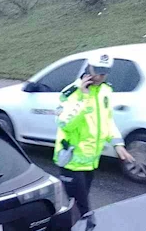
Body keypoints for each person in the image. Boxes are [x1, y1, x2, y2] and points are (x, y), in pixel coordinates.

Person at [53, 53, 135, 216]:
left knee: (79, 209)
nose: (99, 76)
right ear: (88, 67)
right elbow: (65, 124)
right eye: (96, 70)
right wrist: (84, 98)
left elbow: (107, 121)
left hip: (90, 161)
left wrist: (118, 144)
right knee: (81, 209)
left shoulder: (105, 90)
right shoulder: (71, 93)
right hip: (71, 162)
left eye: (104, 72)